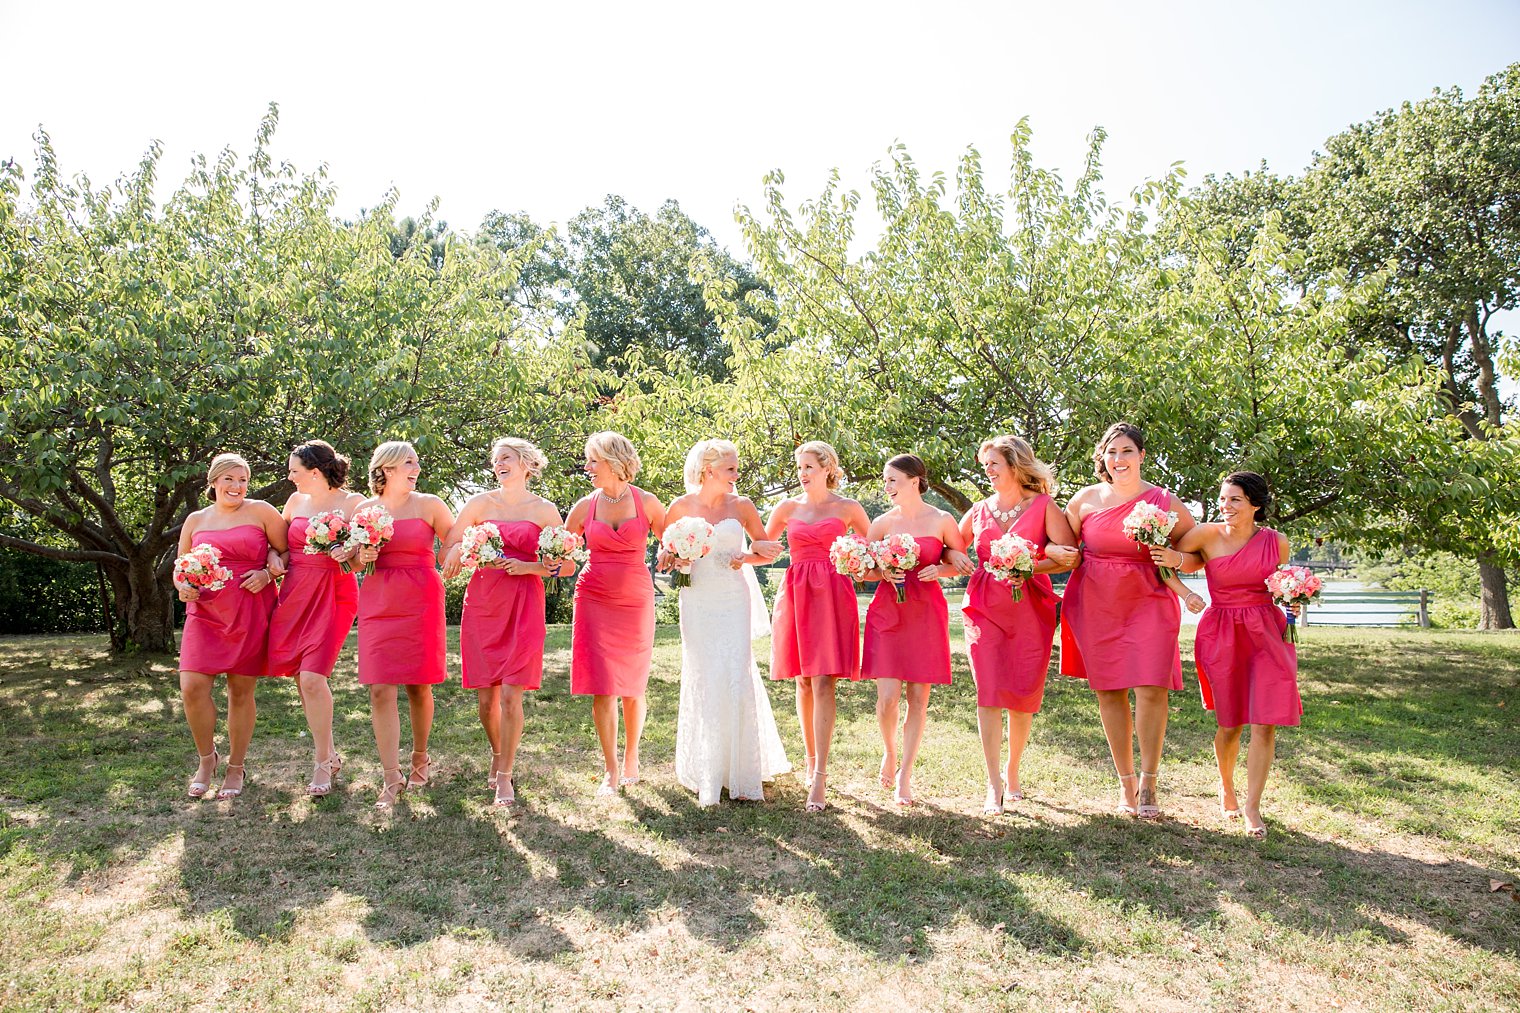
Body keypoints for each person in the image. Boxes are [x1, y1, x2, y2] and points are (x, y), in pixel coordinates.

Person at [1061, 423, 1204, 819]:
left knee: (1152, 687)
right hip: (1097, 602)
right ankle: (1125, 783)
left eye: (1127, 451)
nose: (1119, 459)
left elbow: (1196, 554)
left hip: (1150, 600)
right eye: (1111, 452)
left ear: (1141, 456)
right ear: (1102, 458)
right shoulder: (1084, 501)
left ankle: (1149, 782)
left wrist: (1176, 560)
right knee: (1109, 691)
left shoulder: (1166, 502)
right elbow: (1064, 550)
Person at [659, 439, 789, 806]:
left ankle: (742, 773)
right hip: (697, 599)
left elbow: (765, 553)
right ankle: (708, 772)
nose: (736, 475)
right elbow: (664, 555)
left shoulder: (742, 506)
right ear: (708, 471)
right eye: (730, 468)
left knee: (735, 673)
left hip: (733, 599)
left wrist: (746, 558)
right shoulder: (680, 507)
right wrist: (672, 557)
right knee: (704, 675)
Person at [441, 437, 566, 807]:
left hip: (524, 603)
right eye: (495, 460)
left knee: (512, 694)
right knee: (486, 702)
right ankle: (497, 751)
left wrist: (529, 566)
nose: (498, 464)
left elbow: (566, 564)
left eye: (506, 458)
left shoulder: (544, 510)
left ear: (526, 463)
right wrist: (460, 556)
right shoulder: (479, 503)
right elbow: (450, 546)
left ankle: (506, 776)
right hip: (483, 603)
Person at [958, 436, 1079, 815]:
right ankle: (993, 782)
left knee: (1023, 695)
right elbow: (952, 544)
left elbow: (1069, 559)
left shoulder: (1043, 506)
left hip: (1030, 608)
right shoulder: (978, 510)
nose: (988, 472)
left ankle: (1013, 770)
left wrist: (1029, 565)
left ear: (1015, 464)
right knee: (989, 692)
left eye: (993, 464)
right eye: (985, 465)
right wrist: (950, 558)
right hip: (983, 607)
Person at [1177, 472, 1302, 839]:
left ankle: (1252, 806)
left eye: (1235, 500)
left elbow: (1281, 585)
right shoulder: (1204, 535)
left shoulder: (1277, 542)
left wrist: (1295, 596)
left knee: (1265, 720)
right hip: (1222, 632)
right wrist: (1186, 593)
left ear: (1255, 505)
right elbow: (1164, 560)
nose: (1225, 506)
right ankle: (1226, 786)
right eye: (1223, 498)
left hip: (1268, 632)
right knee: (1230, 723)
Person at [861, 454, 974, 807]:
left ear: (914, 481)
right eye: (885, 480)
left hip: (925, 613)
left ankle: (905, 775)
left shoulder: (942, 520)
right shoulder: (881, 523)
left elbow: (961, 563)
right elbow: (862, 571)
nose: (887, 486)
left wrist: (939, 572)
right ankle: (890, 752)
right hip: (887, 613)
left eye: (893, 480)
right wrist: (882, 573)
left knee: (918, 699)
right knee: (888, 699)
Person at [765, 440, 872, 813]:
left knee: (826, 679)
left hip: (832, 593)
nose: (803, 474)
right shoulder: (786, 507)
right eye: (799, 468)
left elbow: (870, 547)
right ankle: (809, 759)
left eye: (809, 466)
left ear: (828, 468)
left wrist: (860, 562)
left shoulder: (848, 507)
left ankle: (822, 776)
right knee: (803, 679)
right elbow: (763, 545)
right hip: (795, 592)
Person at [175, 452, 286, 801]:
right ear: (213, 482)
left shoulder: (263, 511)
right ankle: (207, 760)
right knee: (192, 687)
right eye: (229, 479)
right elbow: (181, 566)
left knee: (240, 691)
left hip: (249, 609)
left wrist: (268, 572)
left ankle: (236, 766)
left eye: (243, 480)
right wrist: (182, 586)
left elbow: (289, 554)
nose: (237, 486)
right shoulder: (195, 519)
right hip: (205, 612)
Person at [564, 432, 666, 797]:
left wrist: (676, 555)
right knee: (603, 687)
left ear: (613, 461)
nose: (588, 468)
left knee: (633, 685)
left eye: (593, 461)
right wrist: (553, 560)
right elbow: (561, 552)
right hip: (593, 596)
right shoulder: (583, 507)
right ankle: (609, 768)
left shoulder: (648, 503)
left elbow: (670, 546)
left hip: (635, 599)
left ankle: (632, 756)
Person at [354, 441, 453, 810]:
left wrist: (457, 553)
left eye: (416, 461)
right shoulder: (364, 510)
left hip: (422, 597)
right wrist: (360, 555)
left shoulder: (430, 505)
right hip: (379, 597)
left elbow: (453, 542)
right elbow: (350, 564)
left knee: (417, 685)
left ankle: (420, 756)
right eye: (408, 462)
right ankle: (391, 776)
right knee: (380, 688)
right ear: (387, 468)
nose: (416, 467)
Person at [267, 439, 363, 797]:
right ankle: (330, 753)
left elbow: (360, 559)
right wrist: (273, 560)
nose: (290, 477)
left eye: (294, 471)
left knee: (311, 677)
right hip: (295, 592)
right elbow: (277, 544)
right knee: (301, 677)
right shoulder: (295, 502)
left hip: (334, 590)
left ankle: (321, 762)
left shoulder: (353, 503)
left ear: (315, 472)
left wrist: (348, 553)